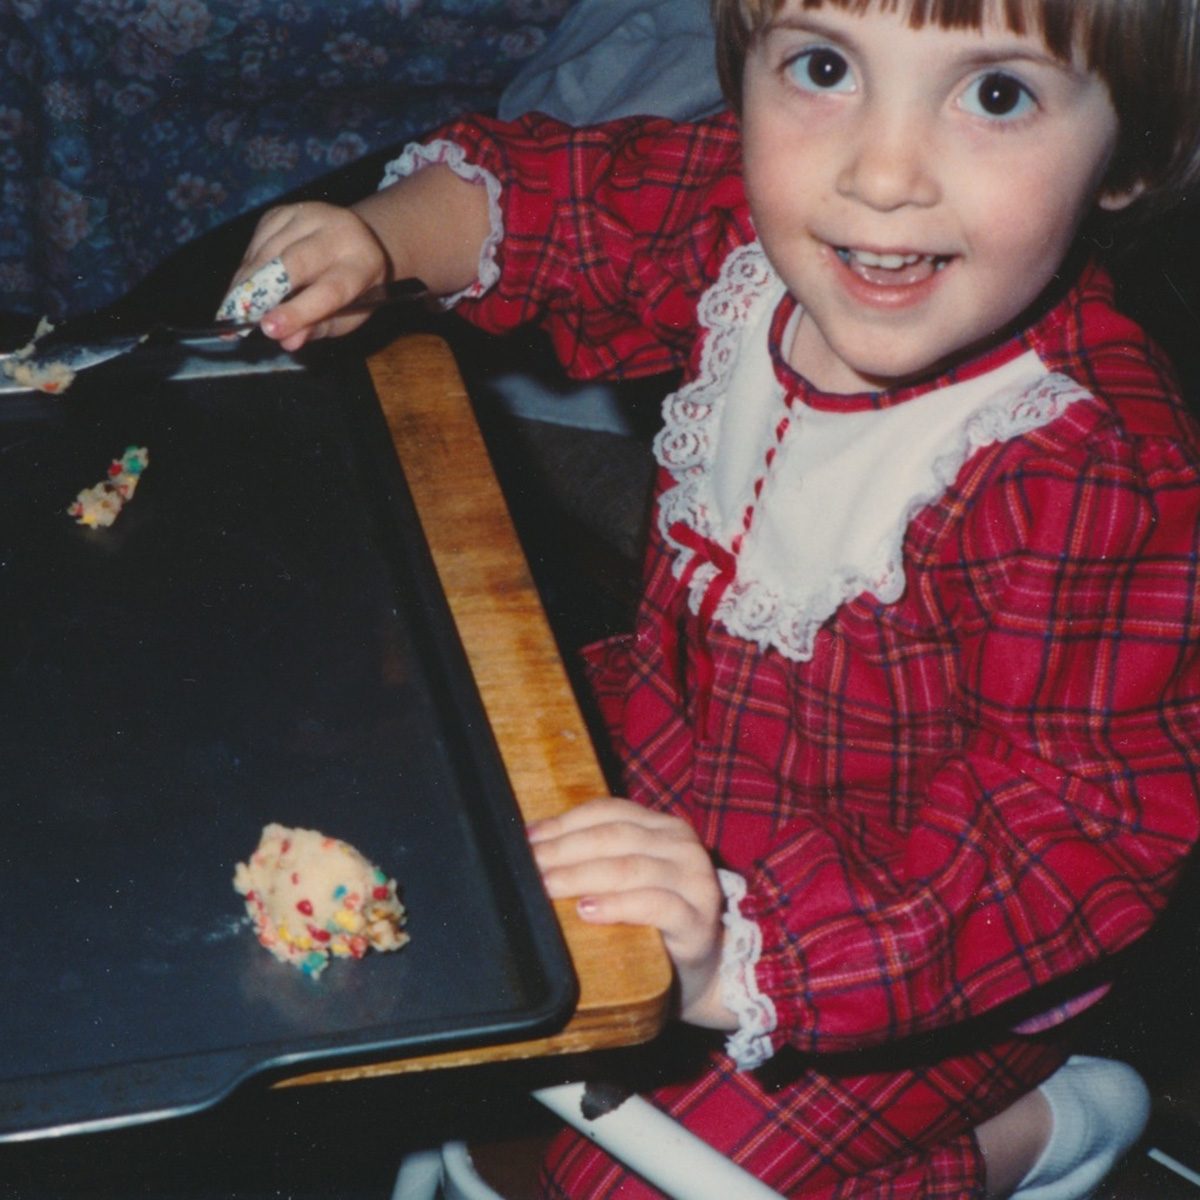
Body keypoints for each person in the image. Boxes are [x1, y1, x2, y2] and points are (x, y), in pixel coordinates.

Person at [222, 0, 1200, 1194]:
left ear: (1136, 148)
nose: (880, 173)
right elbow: (556, 200)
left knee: (624, 1183)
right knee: (373, 848)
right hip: (666, 752)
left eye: (997, 94)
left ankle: (1044, 1133)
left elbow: (1061, 843)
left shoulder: (1096, 473)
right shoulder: (748, 230)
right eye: (824, 67)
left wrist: (734, 958)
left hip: (912, 953)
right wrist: (378, 240)